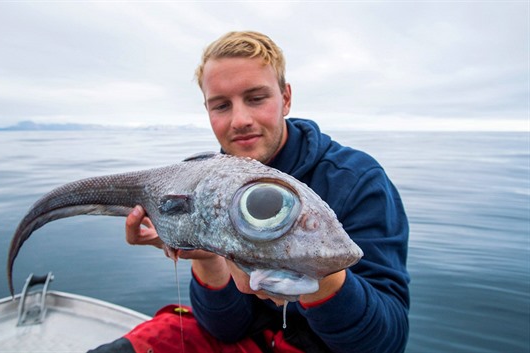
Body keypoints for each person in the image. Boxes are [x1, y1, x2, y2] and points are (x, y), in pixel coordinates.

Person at [89, 31, 409, 353]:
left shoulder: (357, 180)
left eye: (256, 98)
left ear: (285, 98)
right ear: (207, 110)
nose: (240, 120)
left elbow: (383, 343)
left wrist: (318, 272)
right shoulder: (202, 190)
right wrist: (207, 256)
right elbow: (226, 329)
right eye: (221, 105)